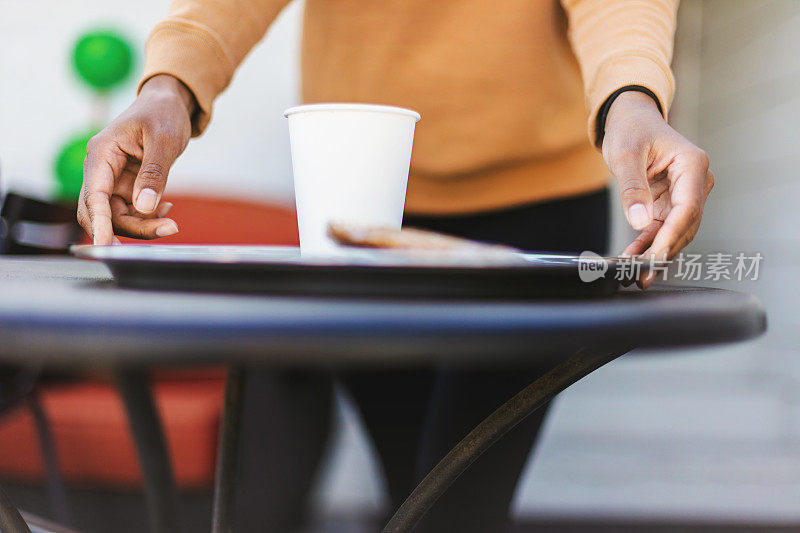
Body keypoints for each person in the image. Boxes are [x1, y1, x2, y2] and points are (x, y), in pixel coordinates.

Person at [77, 0, 714, 531]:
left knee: (453, 507)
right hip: (359, 211)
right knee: (412, 493)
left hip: (534, 214)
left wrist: (631, 98)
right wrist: (169, 86)